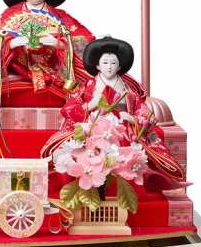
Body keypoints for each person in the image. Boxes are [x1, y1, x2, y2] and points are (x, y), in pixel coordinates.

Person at [42, 36, 185, 182]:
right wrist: (90, 105)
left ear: (119, 66)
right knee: (80, 149)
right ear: (98, 66)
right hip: (94, 125)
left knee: (130, 152)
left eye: (113, 63)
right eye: (105, 63)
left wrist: (132, 118)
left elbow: (144, 112)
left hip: (122, 128)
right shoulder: (88, 85)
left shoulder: (127, 88)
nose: (109, 66)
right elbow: (69, 108)